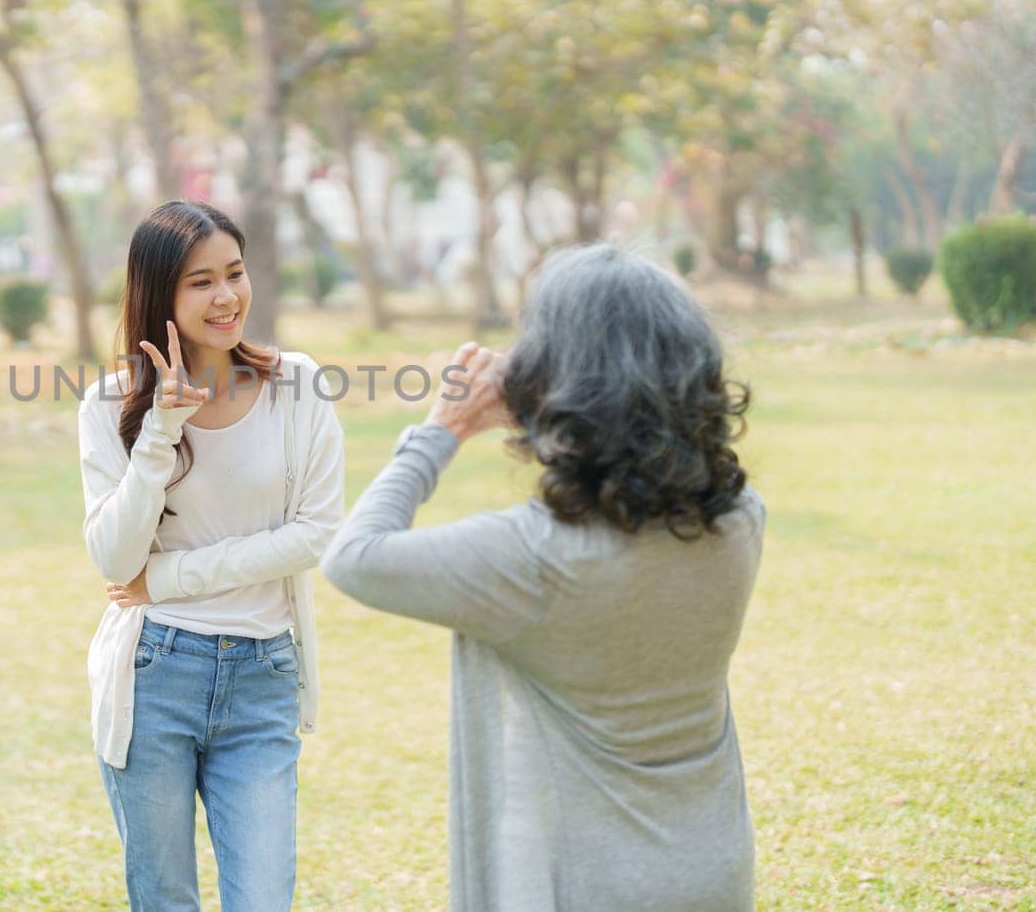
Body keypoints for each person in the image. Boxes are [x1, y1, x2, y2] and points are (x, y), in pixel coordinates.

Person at [321, 244, 765, 911]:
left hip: (589, 885)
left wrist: (442, 428)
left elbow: (354, 556)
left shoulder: (533, 558)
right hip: (715, 872)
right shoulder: (740, 522)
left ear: (555, 379)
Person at [77, 200, 346, 911]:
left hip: (262, 673)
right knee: (164, 898)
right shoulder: (110, 407)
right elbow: (113, 556)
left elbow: (315, 532)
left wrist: (166, 576)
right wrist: (161, 431)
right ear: (159, 293)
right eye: (201, 281)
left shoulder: (298, 385)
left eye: (234, 272)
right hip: (153, 672)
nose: (227, 296)